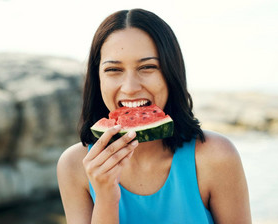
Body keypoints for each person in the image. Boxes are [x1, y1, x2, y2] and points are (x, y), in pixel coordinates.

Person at [57, 8, 251, 224]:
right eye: (113, 70)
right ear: (98, 78)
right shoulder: (74, 166)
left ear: (171, 73)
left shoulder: (216, 157)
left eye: (148, 67)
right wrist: (105, 198)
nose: (130, 88)